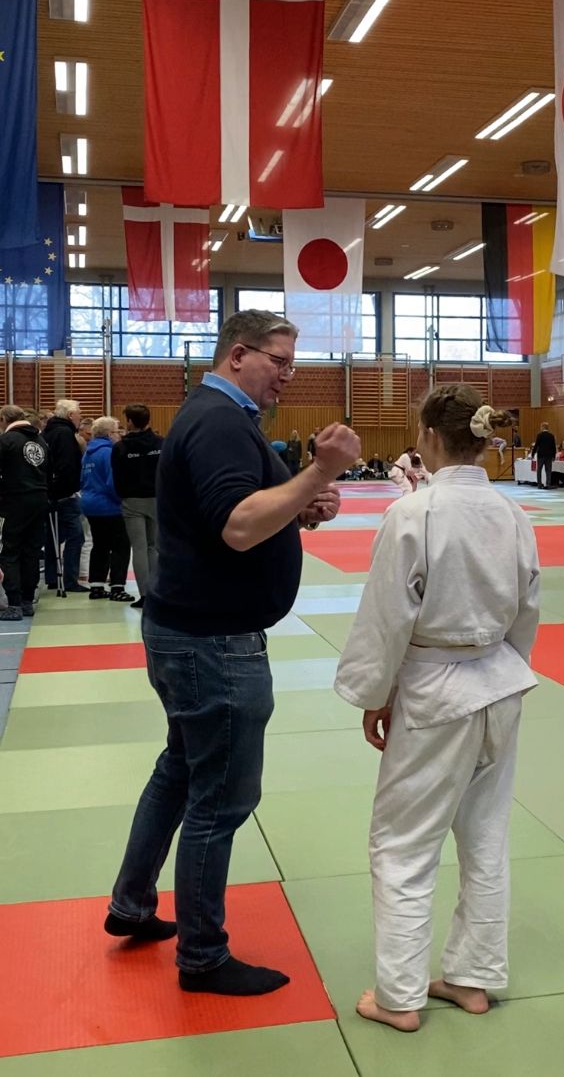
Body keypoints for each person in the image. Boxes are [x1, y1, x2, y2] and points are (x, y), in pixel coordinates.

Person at [107, 309, 361, 997]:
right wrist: (319, 472)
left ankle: (131, 903)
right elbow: (241, 526)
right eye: (278, 360)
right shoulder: (222, 421)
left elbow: (241, 509)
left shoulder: (217, 415)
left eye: (292, 364)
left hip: (186, 627)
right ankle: (201, 955)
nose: (288, 375)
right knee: (220, 799)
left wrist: (299, 503)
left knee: (180, 772)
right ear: (238, 354)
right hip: (211, 642)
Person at [333, 385, 540, 1033]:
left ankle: (399, 995)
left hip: (434, 689)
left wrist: (376, 692)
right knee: (485, 836)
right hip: (501, 683)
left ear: (428, 435)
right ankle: (474, 977)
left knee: (403, 843)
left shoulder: (416, 512)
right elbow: (527, 608)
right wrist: (503, 664)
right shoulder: (513, 514)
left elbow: (388, 613)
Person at [0, 405, 50, 621]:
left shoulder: (6, 441)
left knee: (10, 551)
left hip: (14, 501)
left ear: (4, 419)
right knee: (32, 550)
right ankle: (27, 601)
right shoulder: (41, 441)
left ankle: (13, 603)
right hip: (40, 499)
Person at [111, 404, 163, 610]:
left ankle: (145, 595)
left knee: (139, 547)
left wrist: (124, 495)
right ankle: (159, 593)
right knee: (155, 547)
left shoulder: (120, 448)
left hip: (132, 500)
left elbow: (117, 477)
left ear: (130, 422)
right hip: (158, 498)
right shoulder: (161, 443)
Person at [81, 417, 134, 603]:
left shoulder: (88, 453)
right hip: (109, 506)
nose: (119, 434)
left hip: (90, 504)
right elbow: (113, 482)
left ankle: (96, 585)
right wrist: (122, 500)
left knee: (100, 545)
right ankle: (118, 587)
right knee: (121, 545)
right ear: (109, 433)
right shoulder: (109, 453)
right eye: (117, 430)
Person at [42, 399, 87, 592]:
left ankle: (52, 577)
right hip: (64, 494)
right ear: (70, 415)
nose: (80, 417)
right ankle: (69, 579)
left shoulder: (47, 432)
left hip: (48, 493)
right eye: (78, 413)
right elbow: (67, 465)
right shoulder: (65, 433)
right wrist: (70, 490)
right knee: (76, 536)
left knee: (53, 536)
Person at [530, 421, 556, 490]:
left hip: (541, 455)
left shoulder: (539, 435)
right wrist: (554, 456)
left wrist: (533, 453)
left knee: (539, 470)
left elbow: (536, 445)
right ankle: (548, 484)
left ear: (542, 427)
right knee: (548, 470)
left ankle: (539, 484)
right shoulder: (551, 435)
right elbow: (553, 446)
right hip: (549, 456)